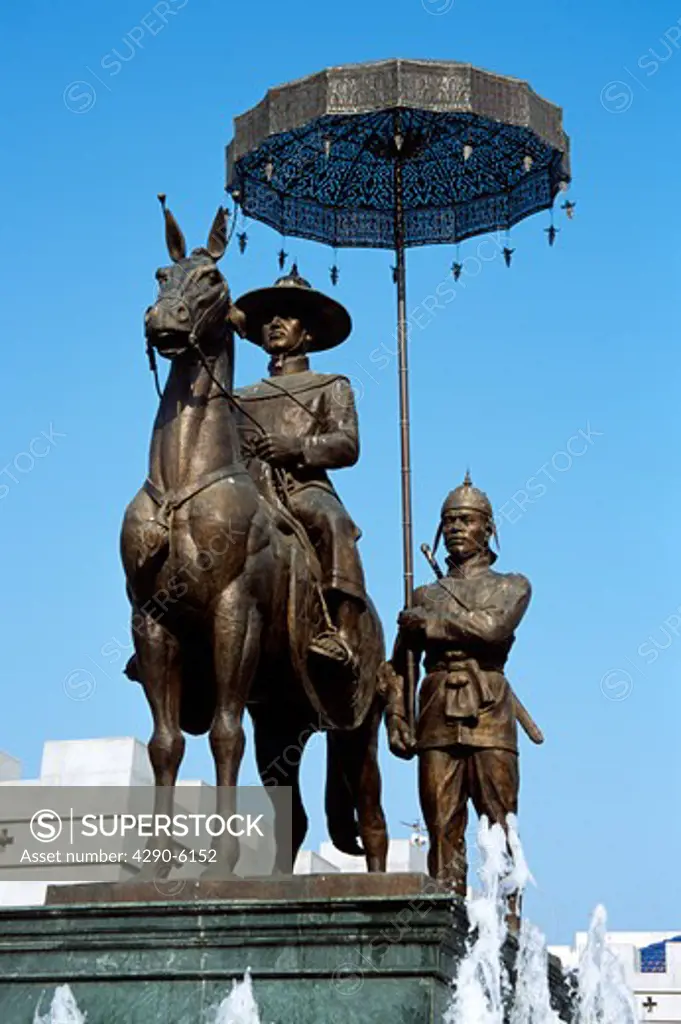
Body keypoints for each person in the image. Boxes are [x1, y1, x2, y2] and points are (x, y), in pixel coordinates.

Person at [384, 473, 532, 896]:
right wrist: (396, 715)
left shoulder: (512, 585)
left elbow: (492, 628)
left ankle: (508, 920)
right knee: (440, 821)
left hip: (488, 706)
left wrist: (431, 624)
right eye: (449, 521)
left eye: (466, 520)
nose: (455, 529)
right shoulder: (424, 594)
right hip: (435, 708)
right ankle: (447, 907)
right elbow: (399, 666)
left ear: (488, 528)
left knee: (501, 819)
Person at [234, 267, 366, 674]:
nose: (274, 324)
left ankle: (341, 632)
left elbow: (347, 445)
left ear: (306, 332)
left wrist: (296, 447)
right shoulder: (238, 396)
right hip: (248, 491)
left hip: (301, 487)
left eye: (286, 316)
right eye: (269, 318)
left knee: (334, 523)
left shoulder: (331, 385)